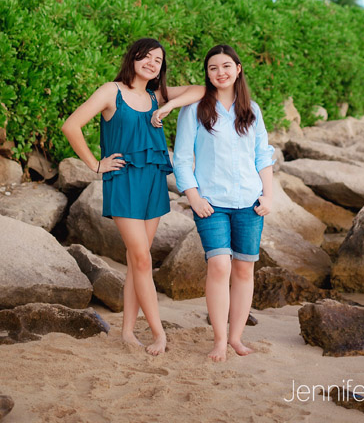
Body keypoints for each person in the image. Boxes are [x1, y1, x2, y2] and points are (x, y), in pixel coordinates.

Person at [62, 37, 204, 356]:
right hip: (124, 180)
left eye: (158, 60)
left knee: (135, 261)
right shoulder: (110, 91)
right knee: (141, 259)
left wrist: (168, 105)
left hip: (153, 181)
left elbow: (200, 90)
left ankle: (127, 331)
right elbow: (71, 126)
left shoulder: (156, 96)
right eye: (146, 57)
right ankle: (158, 333)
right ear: (133, 58)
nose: (152, 63)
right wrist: (96, 164)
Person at [172, 44, 274, 361]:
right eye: (213, 68)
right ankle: (219, 340)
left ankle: (236, 338)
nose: (220, 72)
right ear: (207, 73)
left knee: (243, 270)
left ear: (238, 69)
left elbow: (263, 155)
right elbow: (181, 158)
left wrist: (268, 194)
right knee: (219, 266)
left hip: (249, 202)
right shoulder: (195, 109)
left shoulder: (252, 110)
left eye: (226, 66)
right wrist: (193, 197)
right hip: (211, 203)